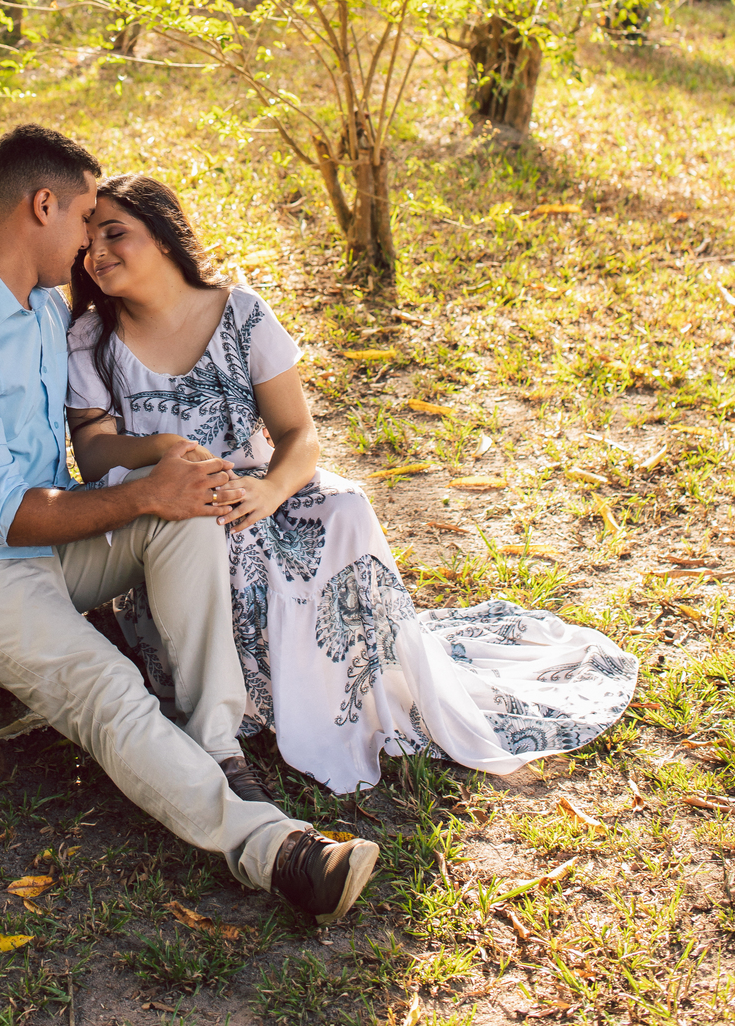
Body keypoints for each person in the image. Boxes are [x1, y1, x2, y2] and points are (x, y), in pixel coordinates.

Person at [0, 124, 380, 924]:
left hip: (47, 544)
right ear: (43, 207)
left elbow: (69, 479)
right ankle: (279, 852)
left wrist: (166, 489)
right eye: (81, 221)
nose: (87, 247)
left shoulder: (37, 306)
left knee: (190, 514)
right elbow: (3, 516)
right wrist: (144, 493)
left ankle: (215, 745)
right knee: (105, 683)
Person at [66, 174, 640, 794]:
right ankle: (243, 713)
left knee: (345, 508)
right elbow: (94, 455)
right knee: (219, 543)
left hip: (261, 485)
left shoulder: (239, 314)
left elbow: (299, 433)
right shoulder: (92, 341)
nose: (97, 254)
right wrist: (161, 449)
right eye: (86, 243)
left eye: (115, 233)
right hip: (169, 506)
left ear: (164, 235)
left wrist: (270, 492)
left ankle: (347, 690)